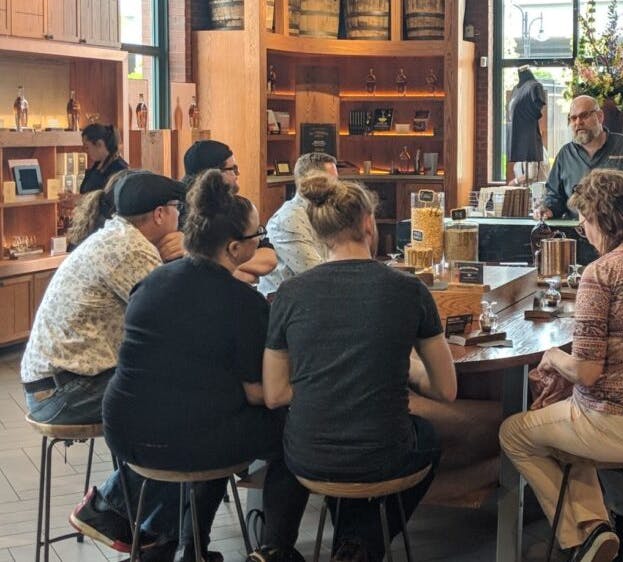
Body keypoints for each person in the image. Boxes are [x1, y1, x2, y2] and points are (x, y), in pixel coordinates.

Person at [84, 170, 302, 562]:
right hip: (187, 440)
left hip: (124, 430)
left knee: (209, 418)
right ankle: (274, 548)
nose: (262, 242)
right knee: (292, 432)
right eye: (258, 237)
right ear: (235, 249)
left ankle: (185, 545)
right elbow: (261, 394)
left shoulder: (151, 281)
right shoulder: (245, 304)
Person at [500, 169, 623, 562]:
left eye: (585, 220)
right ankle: (601, 526)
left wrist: (552, 356)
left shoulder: (602, 273)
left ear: (606, 220)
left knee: (515, 433)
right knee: (560, 425)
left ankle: (583, 535)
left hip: (617, 425)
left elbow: (587, 372)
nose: (582, 228)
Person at [258, 178, 457, 562]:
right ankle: (361, 544)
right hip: (386, 453)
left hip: (308, 456)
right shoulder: (410, 290)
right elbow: (446, 389)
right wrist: (410, 371)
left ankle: (285, 546)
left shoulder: (290, 293)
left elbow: (276, 394)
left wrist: (325, 383)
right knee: (427, 437)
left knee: (322, 439)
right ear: (368, 223)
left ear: (318, 230)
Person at [20, 172, 183, 553]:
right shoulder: (132, 250)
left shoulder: (119, 237)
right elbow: (177, 312)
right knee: (184, 410)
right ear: (160, 214)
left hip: (63, 381)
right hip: (64, 391)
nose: (181, 217)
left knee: (180, 401)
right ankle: (109, 507)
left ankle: (159, 535)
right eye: (177, 210)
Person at [537, 96, 623, 220]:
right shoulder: (565, 154)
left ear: (600, 116)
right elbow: (554, 196)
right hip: (577, 233)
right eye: (573, 118)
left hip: (622, 232)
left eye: (584, 115)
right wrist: (548, 209)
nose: (578, 122)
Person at [181, 139, 277, 284]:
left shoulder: (237, 207)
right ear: (212, 175)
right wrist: (235, 271)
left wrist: (227, 268)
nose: (238, 174)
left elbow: (269, 258)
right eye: (232, 169)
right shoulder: (179, 213)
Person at [258, 152, 339, 297]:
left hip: (313, 298)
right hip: (285, 305)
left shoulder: (322, 212)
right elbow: (317, 274)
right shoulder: (289, 218)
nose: (337, 188)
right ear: (309, 181)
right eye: (332, 182)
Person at [67, 170, 185, 261]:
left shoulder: (107, 233)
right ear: (157, 214)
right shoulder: (123, 245)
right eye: (175, 206)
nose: (178, 213)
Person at [79, 124, 128, 194]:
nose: (85, 151)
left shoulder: (119, 169)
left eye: (87, 147)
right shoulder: (97, 165)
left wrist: (79, 200)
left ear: (99, 144)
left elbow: (111, 200)